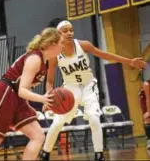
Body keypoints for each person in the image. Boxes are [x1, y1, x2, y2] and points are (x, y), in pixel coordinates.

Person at [39, 20, 147, 161]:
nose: (69, 33)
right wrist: (48, 97)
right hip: (70, 89)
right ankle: (45, 153)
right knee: (58, 122)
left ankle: (99, 155)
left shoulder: (83, 45)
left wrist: (130, 61)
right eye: (65, 31)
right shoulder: (55, 55)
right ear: (58, 34)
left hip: (89, 86)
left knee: (94, 119)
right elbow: (49, 80)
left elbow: (105, 55)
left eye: (71, 29)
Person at [0, 27, 64, 160]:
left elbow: (23, 88)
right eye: (61, 43)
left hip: (16, 98)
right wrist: (43, 98)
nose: (63, 45)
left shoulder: (43, 60)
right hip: (5, 94)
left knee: (38, 136)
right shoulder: (35, 58)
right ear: (52, 44)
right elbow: (22, 90)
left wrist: (28, 106)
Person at [139, 79, 150, 150]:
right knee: (147, 119)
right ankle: (149, 140)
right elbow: (148, 99)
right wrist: (148, 112)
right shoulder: (147, 84)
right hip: (146, 102)